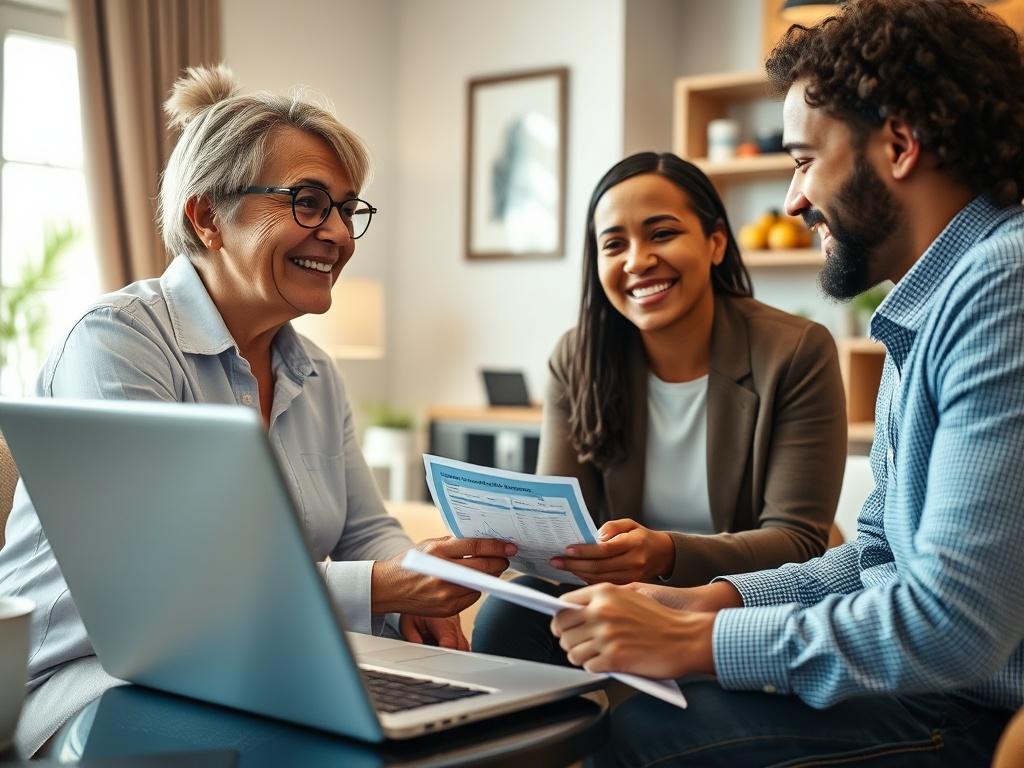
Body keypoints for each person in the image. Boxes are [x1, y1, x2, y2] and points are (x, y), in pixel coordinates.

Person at [547, 1, 1024, 765]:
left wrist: (700, 639)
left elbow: (953, 624)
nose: (795, 200)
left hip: (976, 708)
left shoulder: (1000, 284)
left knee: (647, 735)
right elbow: (875, 556)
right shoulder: (928, 306)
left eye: (804, 161)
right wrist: (722, 599)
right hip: (941, 688)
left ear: (899, 144)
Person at [0, 65, 514, 754]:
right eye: (307, 201)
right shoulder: (118, 342)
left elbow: (366, 533)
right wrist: (387, 590)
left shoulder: (315, 373)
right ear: (207, 216)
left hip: (260, 674)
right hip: (94, 680)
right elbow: (173, 581)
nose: (337, 233)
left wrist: (421, 583)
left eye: (345, 207)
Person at [473, 152, 847, 662]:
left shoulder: (796, 350)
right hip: (618, 598)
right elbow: (559, 531)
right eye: (614, 244)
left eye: (662, 233)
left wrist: (666, 553)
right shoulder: (576, 357)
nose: (637, 260)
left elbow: (798, 540)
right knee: (507, 615)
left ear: (715, 243)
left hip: (732, 605)